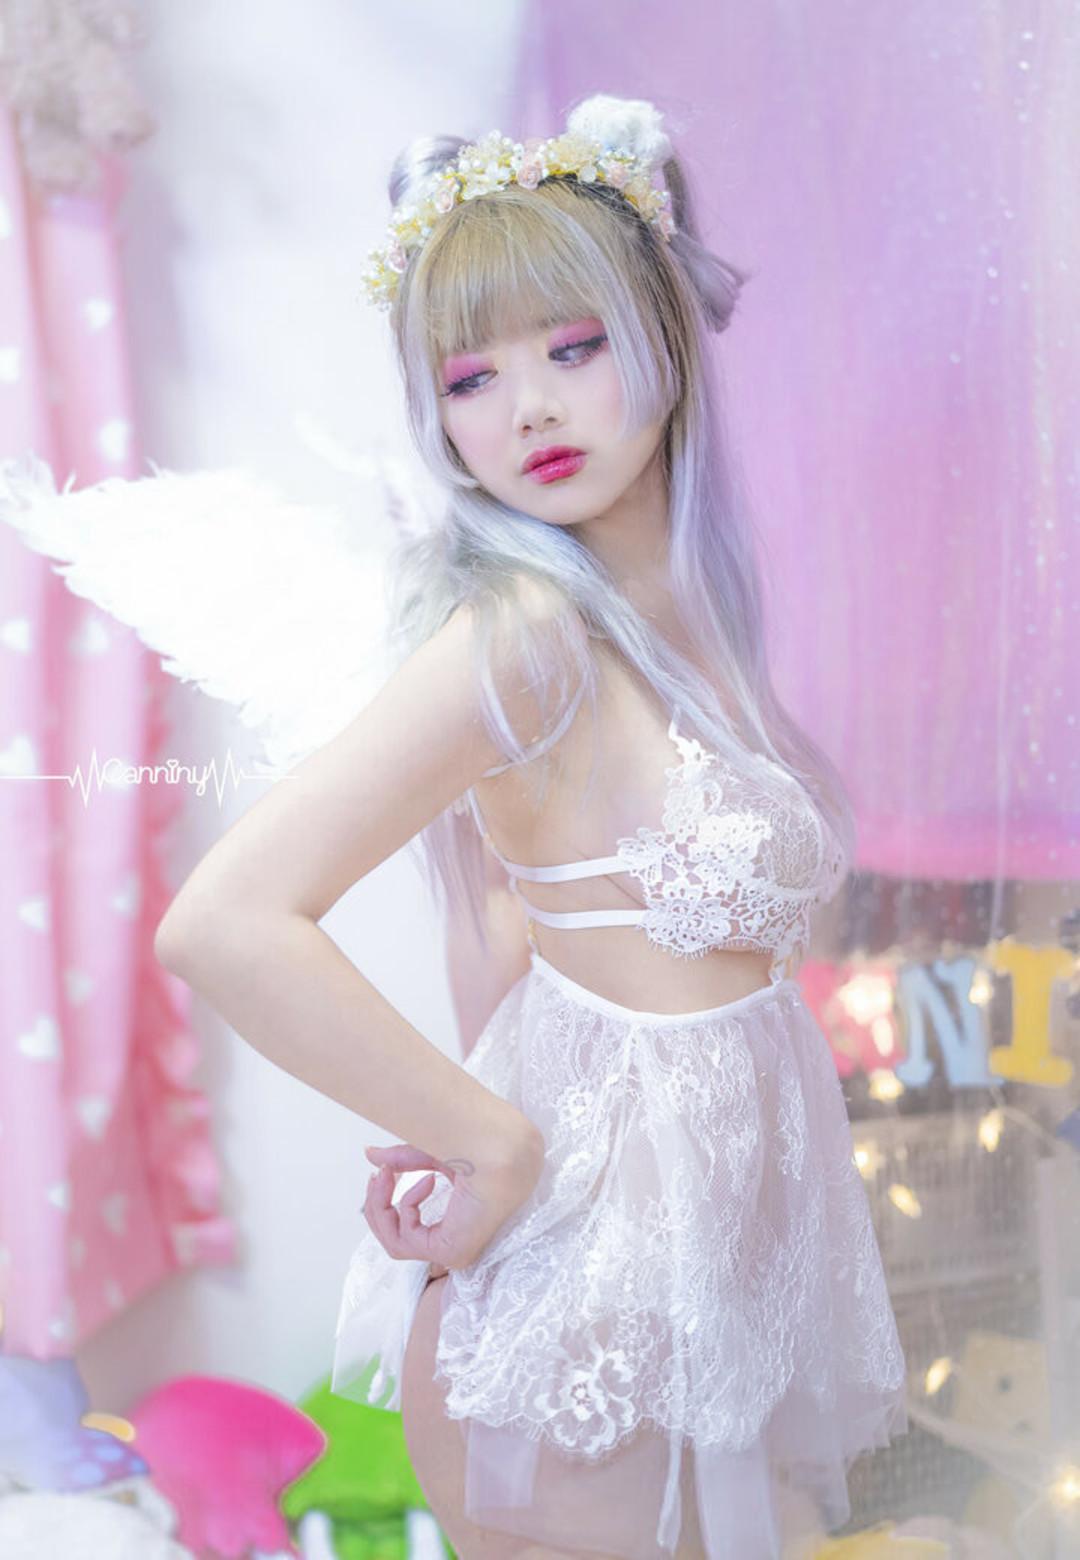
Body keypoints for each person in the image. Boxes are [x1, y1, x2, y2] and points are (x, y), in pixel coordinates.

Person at [151, 94, 908, 1560]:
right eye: (471, 377)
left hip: (711, 1284)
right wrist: (486, 1146)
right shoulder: (527, 630)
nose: (530, 411)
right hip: (587, 1309)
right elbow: (225, 920)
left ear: (665, 340)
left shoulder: (685, 621)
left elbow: (509, 918)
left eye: (573, 348)